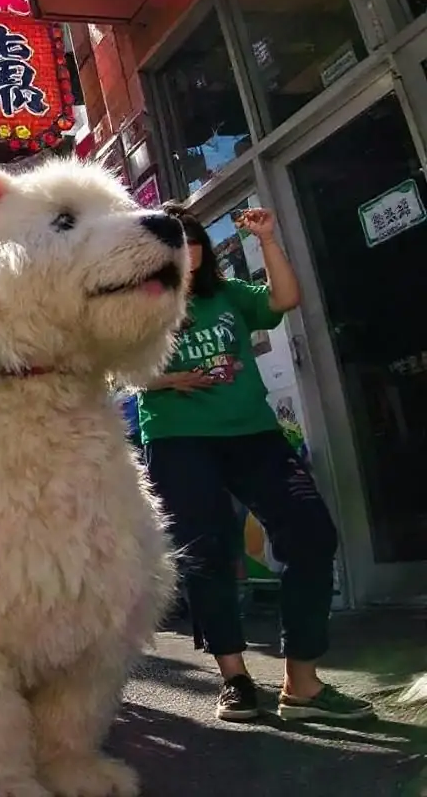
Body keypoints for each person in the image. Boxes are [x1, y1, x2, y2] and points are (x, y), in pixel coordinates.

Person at [138, 204, 372, 724]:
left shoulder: (228, 296)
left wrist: (267, 238)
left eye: (193, 239)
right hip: (179, 440)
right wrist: (170, 380)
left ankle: (301, 683)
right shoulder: (139, 302)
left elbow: (284, 299)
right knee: (208, 553)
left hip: (253, 433)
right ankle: (235, 677)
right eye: (174, 241)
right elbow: (114, 373)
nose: (187, 249)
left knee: (311, 535)